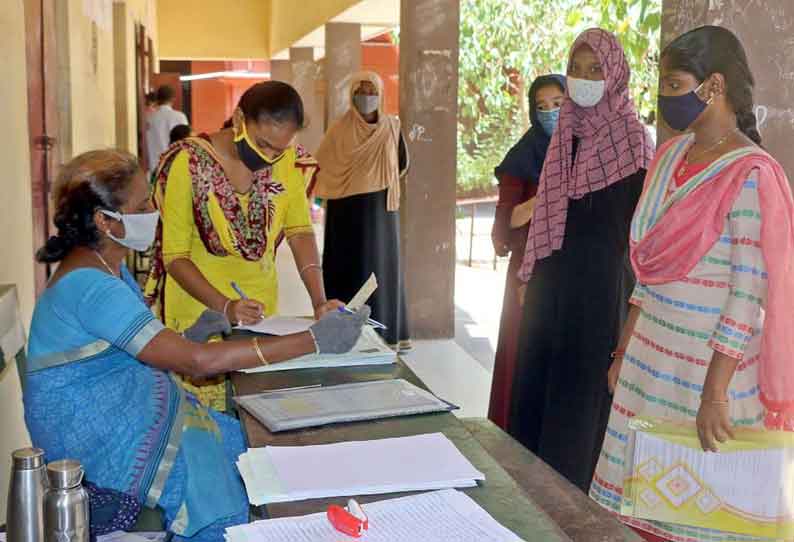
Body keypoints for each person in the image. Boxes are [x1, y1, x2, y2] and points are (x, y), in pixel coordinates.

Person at [24, 149, 368, 541]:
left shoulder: (105, 265)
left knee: (248, 448)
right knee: (223, 483)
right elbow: (199, 364)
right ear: (106, 221)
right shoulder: (91, 286)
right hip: (95, 443)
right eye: (143, 205)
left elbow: (137, 351)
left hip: (123, 414)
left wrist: (195, 332)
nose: (154, 211)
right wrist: (314, 340)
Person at [592, 26, 794, 542]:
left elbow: (749, 293)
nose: (665, 96)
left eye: (674, 83)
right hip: (649, 365)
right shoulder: (669, 158)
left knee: (701, 515)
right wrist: (623, 349)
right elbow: (651, 270)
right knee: (638, 507)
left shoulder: (750, 172)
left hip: (708, 373)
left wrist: (716, 393)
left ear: (715, 87)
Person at [508, 28, 654, 491]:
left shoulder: (634, 139)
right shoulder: (564, 132)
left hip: (602, 285)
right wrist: (531, 272)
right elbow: (548, 213)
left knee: (581, 395)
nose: (584, 79)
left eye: (596, 70)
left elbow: (641, 232)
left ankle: (572, 501)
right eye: (576, 69)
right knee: (539, 385)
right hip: (553, 280)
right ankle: (533, 493)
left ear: (616, 75)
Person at [144, 81, 326, 411]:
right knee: (205, 427)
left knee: (254, 414)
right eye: (263, 144)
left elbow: (299, 231)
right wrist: (225, 306)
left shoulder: (287, 162)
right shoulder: (189, 162)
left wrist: (319, 301)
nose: (269, 156)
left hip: (260, 317)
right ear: (240, 118)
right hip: (199, 313)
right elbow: (175, 256)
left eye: (279, 149)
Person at [488, 74, 566, 431]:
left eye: (559, 104)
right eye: (542, 107)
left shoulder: (587, 152)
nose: (551, 112)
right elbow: (509, 220)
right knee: (524, 349)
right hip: (528, 271)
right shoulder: (522, 157)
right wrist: (547, 192)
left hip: (571, 269)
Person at [314, 71, 411, 350]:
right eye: (361, 90)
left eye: (371, 91)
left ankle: (384, 335)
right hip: (345, 212)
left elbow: (401, 163)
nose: (366, 96)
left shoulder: (392, 127)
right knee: (347, 269)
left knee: (379, 269)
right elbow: (323, 167)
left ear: (380, 95)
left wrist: (377, 177)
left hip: (380, 212)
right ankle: (342, 334)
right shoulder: (338, 130)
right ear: (351, 94)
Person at [146, 85, 188, 171]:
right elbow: (187, 142)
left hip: (154, 168)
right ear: (173, 99)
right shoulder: (180, 117)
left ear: (157, 99)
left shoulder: (149, 118)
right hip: (174, 166)